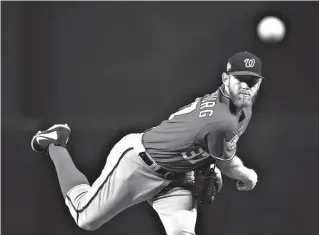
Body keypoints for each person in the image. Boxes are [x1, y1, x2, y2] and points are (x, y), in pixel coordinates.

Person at [31, 51, 264, 235]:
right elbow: (228, 164)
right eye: (240, 79)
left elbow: (211, 147)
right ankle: (56, 143)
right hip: (139, 164)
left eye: (251, 81)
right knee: (85, 218)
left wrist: (205, 163)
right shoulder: (220, 119)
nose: (246, 86)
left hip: (178, 177)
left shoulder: (243, 106)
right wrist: (248, 176)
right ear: (225, 79)